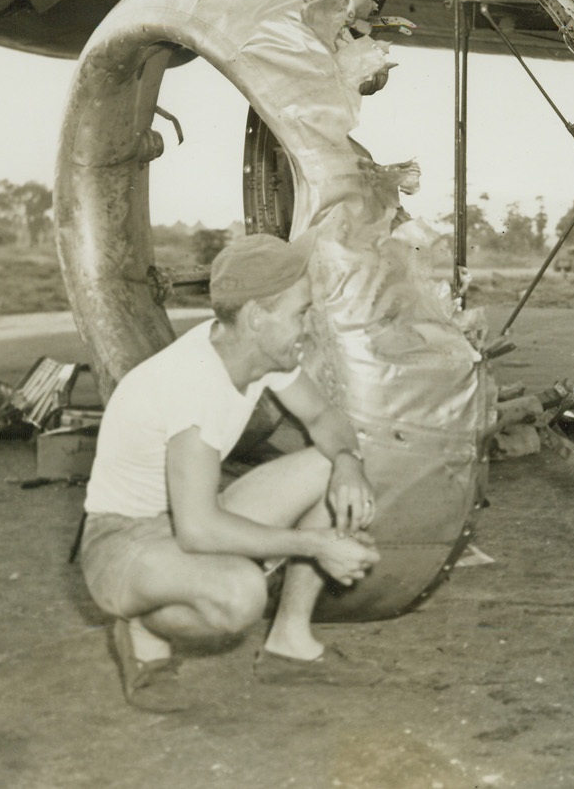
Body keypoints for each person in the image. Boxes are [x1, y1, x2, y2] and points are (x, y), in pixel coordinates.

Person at [80, 232, 382, 712]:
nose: (308, 326)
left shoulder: (258, 353)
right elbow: (200, 531)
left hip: (189, 515)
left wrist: (348, 462)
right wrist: (319, 545)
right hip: (122, 542)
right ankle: (140, 625)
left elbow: (323, 418)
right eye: (300, 312)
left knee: (327, 466)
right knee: (241, 595)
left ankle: (290, 645)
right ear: (258, 316)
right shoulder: (194, 381)